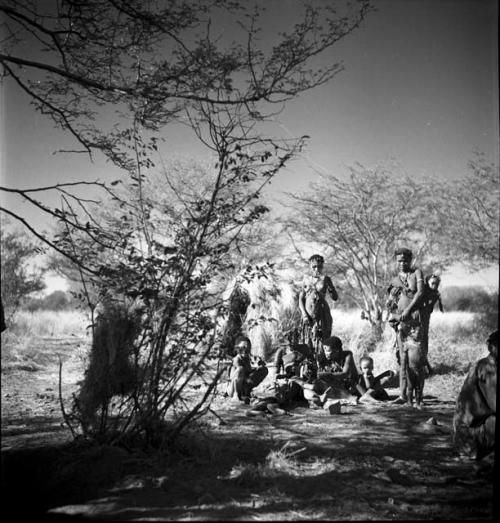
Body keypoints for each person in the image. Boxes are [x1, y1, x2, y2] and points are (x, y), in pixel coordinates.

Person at [386, 247, 425, 404]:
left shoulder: (417, 273)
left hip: (415, 321)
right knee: (403, 360)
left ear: (410, 260)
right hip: (401, 323)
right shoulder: (395, 280)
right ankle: (404, 396)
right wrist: (393, 312)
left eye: (405, 260)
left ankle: (418, 397)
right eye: (399, 261)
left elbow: (420, 293)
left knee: (415, 361)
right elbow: (390, 303)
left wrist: (408, 310)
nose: (402, 263)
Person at [452, 330, 497, 460]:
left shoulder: (487, 365)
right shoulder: (488, 368)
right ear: (491, 347)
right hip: (470, 436)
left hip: (470, 433)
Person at [301, 336, 359, 406]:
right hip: (331, 385)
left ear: (337, 351)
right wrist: (309, 372)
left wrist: (327, 374)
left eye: (328, 351)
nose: (326, 353)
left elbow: (345, 374)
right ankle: (321, 398)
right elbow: (314, 371)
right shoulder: (323, 357)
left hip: (349, 384)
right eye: (324, 350)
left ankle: (329, 399)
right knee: (314, 384)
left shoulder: (347, 355)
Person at [298, 254, 338, 355]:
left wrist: (330, 287)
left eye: (319, 266)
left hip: (322, 316)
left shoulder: (325, 279)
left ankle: (323, 363)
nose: (317, 269)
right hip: (308, 317)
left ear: (322, 266)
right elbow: (301, 299)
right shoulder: (306, 279)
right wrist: (304, 315)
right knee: (308, 342)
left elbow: (335, 297)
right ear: (310, 266)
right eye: (314, 266)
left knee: (322, 341)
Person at [226, 335, 268, 402]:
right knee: (240, 369)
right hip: (233, 389)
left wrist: (258, 367)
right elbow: (239, 375)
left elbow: (248, 373)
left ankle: (246, 393)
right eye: (243, 347)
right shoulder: (237, 359)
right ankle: (236, 395)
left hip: (243, 385)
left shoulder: (247, 358)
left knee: (263, 370)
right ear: (237, 348)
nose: (245, 350)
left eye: (248, 348)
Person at [419, 274, 444, 375]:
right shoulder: (422, 292)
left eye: (437, 284)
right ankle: (424, 369)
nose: (435, 286)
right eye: (433, 283)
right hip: (418, 322)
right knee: (420, 345)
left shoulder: (435, 293)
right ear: (427, 283)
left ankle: (425, 368)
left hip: (425, 322)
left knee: (424, 345)